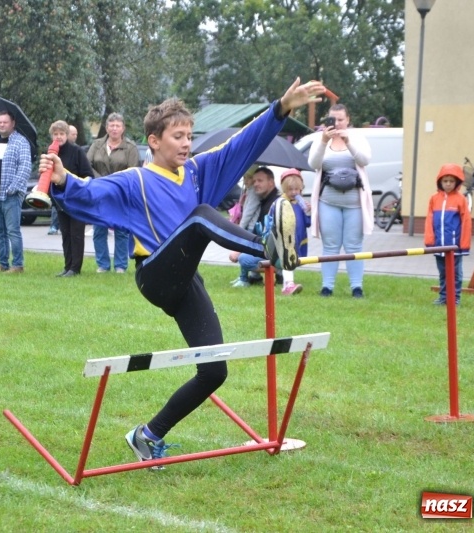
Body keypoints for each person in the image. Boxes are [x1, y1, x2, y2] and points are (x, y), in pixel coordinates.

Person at [40, 77, 324, 468]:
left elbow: (241, 145)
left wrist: (281, 108)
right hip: (155, 276)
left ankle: (147, 435)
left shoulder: (196, 172)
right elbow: (90, 195)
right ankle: (267, 248)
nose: (187, 143)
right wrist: (63, 180)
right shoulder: (135, 180)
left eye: (190, 136)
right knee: (202, 218)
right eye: (178, 136)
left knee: (214, 371)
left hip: (185, 281)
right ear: (154, 141)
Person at [308, 103, 373, 298]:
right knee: (330, 245)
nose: (336, 123)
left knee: (354, 245)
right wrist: (322, 141)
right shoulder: (321, 140)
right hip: (328, 202)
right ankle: (327, 287)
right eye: (332, 119)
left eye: (340, 119)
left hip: (354, 203)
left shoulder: (358, 138)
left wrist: (349, 142)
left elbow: (364, 160)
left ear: (348, 120)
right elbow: (313, 164)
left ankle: (357, 287)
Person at [0, 110, 32, 273]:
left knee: (13, 231)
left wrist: (13, 188)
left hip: (10, 195)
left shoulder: (21, 142)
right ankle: (3, 263)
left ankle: (18, 264)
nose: (1, 125)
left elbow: (25, 168)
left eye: (5, 122)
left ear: (12, 123)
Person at [86, 112, 139, 273]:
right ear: (106, 127)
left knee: (122, 231)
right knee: (99, 230)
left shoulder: (131, 147)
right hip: (99, 192)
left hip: (121, 193)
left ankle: (120, 265)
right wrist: (101, 182)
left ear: (123, 128)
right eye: (111, 125)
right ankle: (102, 264)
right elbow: (87, 165)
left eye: (118, 125)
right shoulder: (96, 145)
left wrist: (114, 184)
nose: (114, 128)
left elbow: (133, 170)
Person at [45, 120, 94, 277]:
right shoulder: (51, 153)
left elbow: (88, 175)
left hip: (76, 200)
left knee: (76, 234)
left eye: (61, 134)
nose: (58, 137)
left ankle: (75, 268)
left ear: (67, 135)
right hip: (60, 201)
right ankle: (67, 267)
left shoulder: (77, 151)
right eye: (55, 134)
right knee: (65, 234)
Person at [423, 163, 472, 306]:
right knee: (443, 272)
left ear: (457, 182)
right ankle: (444, 296)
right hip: (439, 244)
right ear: (440, 182)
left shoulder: (460, 199)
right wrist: (430, 240)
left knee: (455, 273)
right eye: (445, 181)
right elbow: (429, 220)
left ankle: (455, 297)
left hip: (454, 245)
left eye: (451, 181)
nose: (448, 184)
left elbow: (466, 222)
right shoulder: (434, 199)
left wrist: (463, 244)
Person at [228, 166, 285, 288]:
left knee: (244, 259)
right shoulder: (264, 200)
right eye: (254, 181)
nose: (255, 184)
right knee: (248, 247)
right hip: (270, 248)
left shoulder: (275, 203)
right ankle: (255, 277)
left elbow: (271, 238)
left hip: (279, 252)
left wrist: (240, 249)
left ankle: (279, 272)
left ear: (271, 182)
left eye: (260, 181)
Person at [278, 169, 311, 295]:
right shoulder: (280, 203)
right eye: (290, 189)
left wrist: (308, 212)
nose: (294, 192)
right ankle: (288, 284)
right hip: (285, 239)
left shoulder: (300, 203)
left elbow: (308, 223)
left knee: (292, 261)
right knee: (288, 261)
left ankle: (287, 283)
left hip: (298, 238)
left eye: (297, 189)